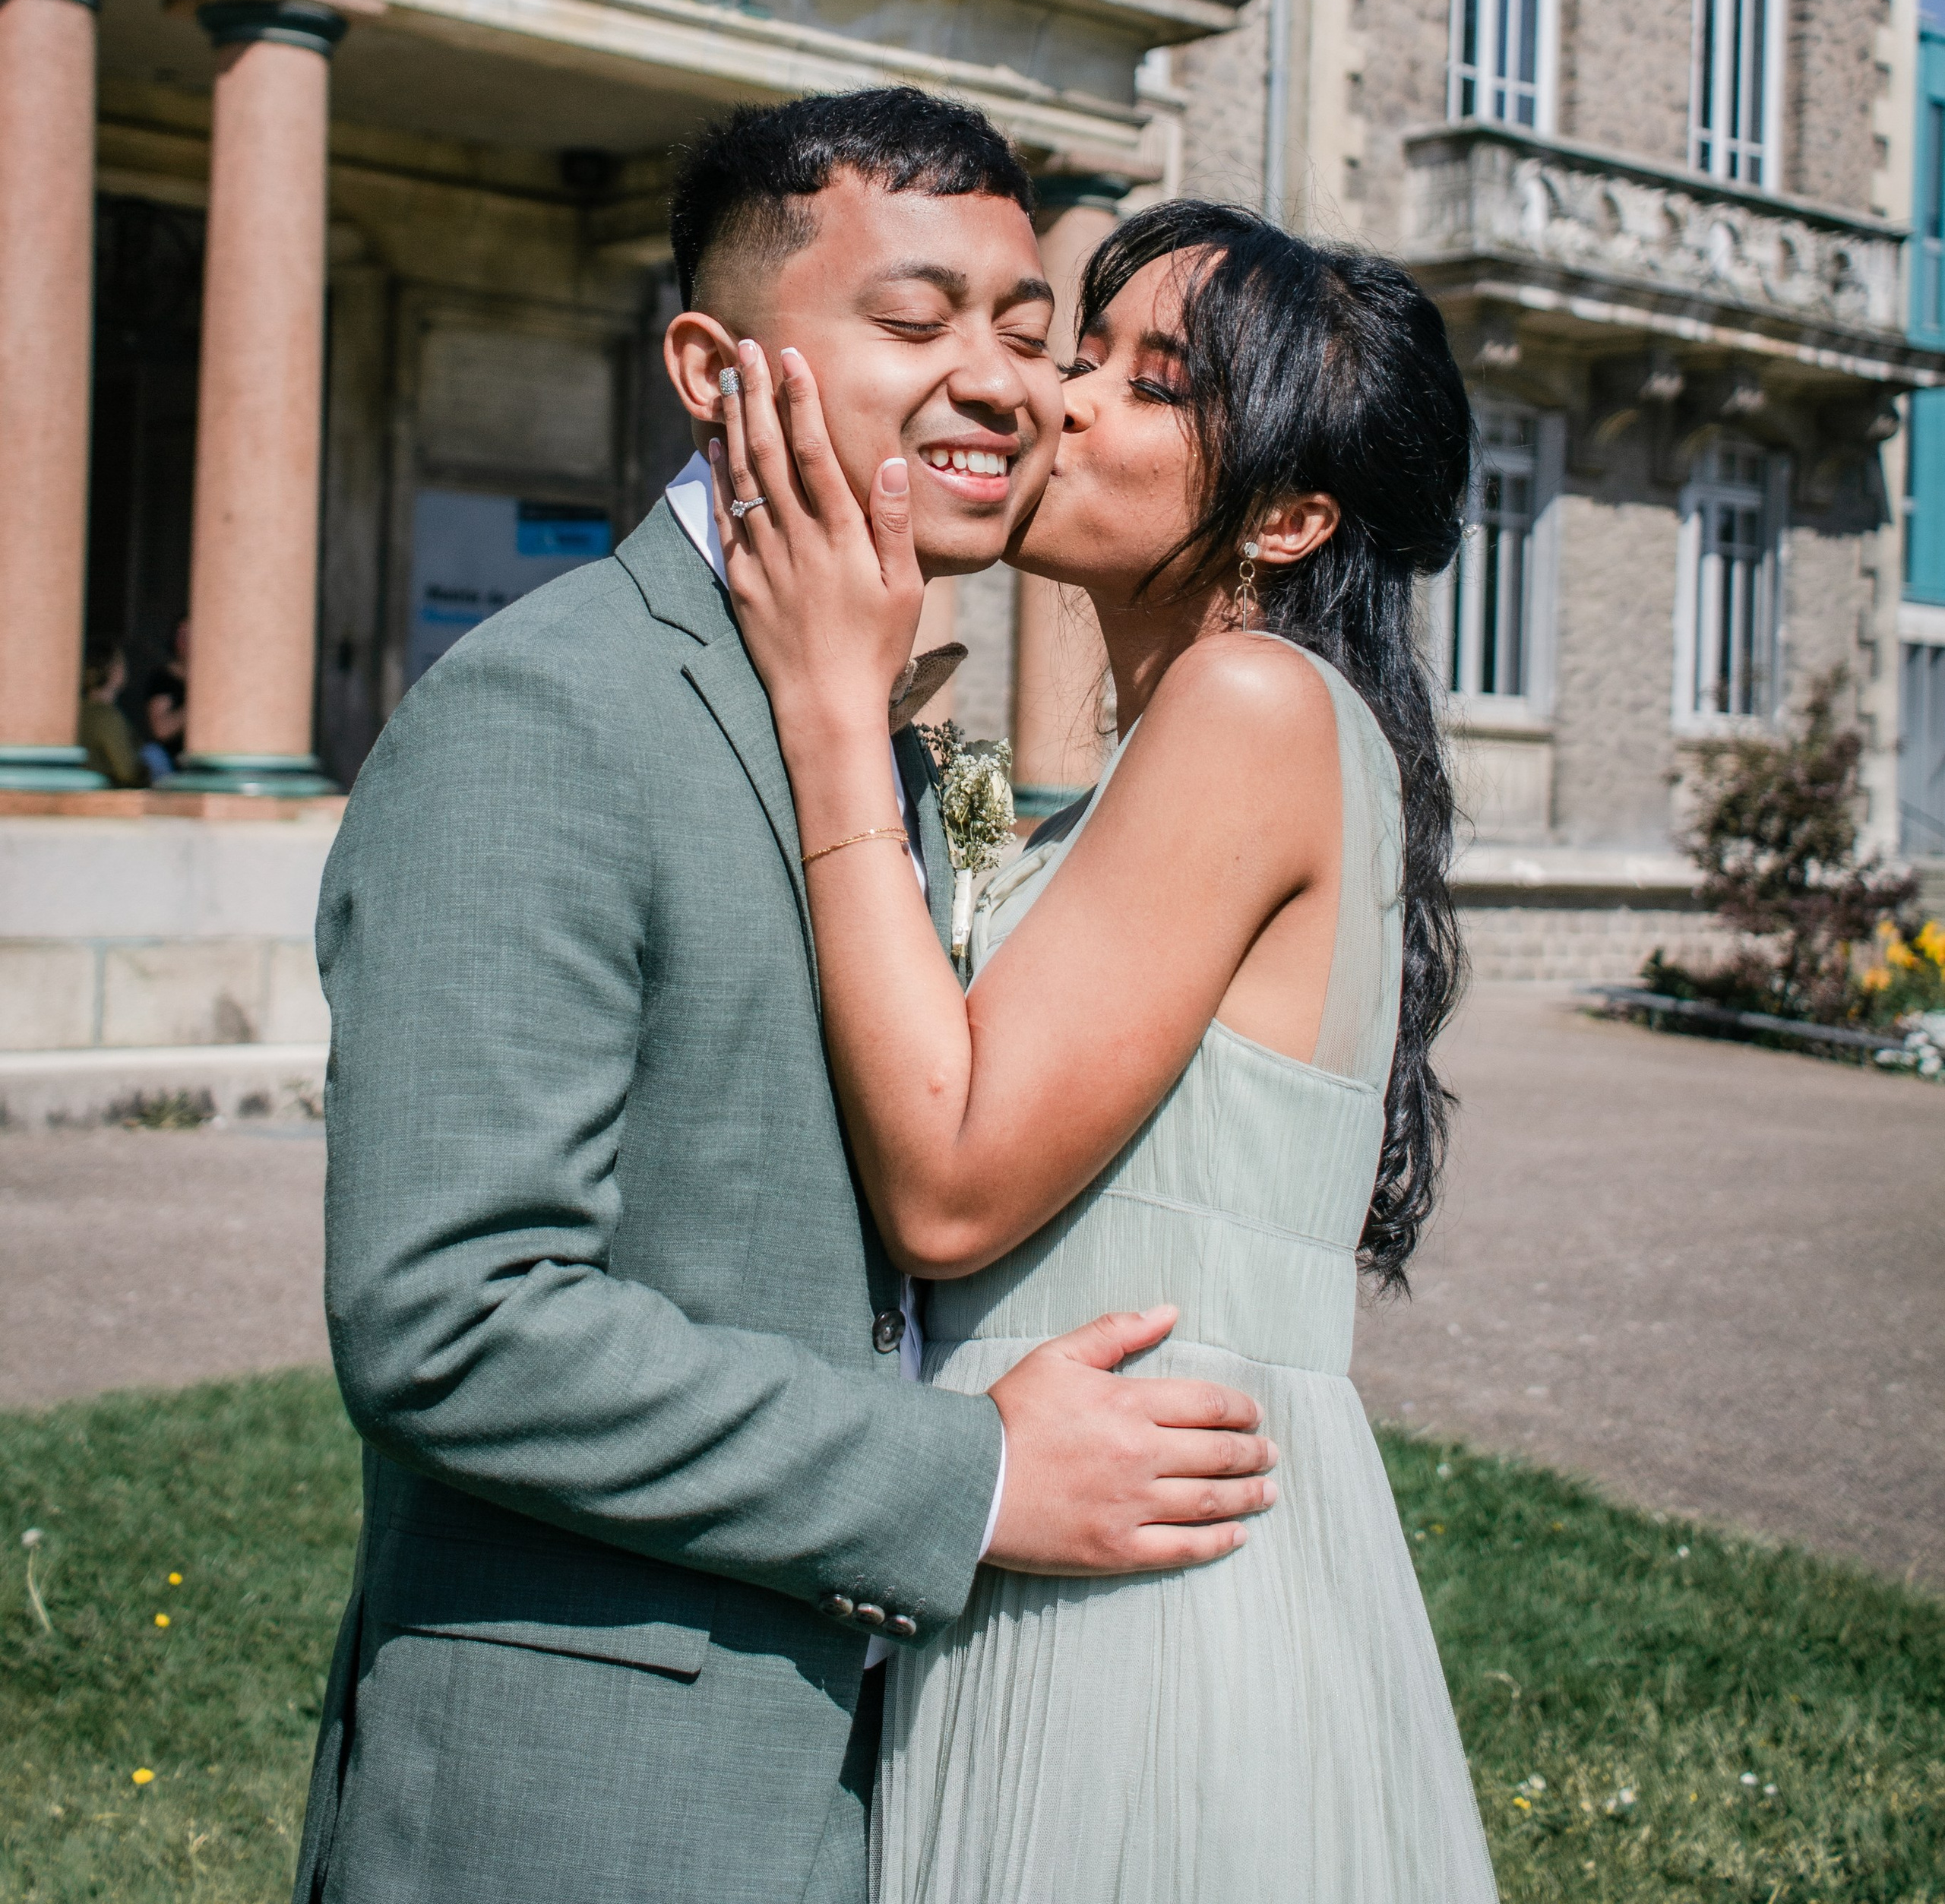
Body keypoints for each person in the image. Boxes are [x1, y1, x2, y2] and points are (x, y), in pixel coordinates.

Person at [295, 93, 1276, 1904]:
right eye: (913, 324)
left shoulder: (864, 719)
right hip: (588, 1802)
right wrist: (962, 1474)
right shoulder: (552, 711)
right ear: (708, 362)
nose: (999, 384)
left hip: (860, 1775)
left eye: (1027, 334)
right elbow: (452, 1317)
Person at [714, 194, 1499, 1903]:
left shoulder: (1248, 709)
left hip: (1139, 1571)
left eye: (1147, 383)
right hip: (1096, 1517)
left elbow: (949, 1181)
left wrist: (834, 716)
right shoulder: (1215, 734)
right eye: (1076, 348)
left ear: (1286, 514)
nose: (1054, 399)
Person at [80, 639, 146, 788]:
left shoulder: (80, 711)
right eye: (120, 662)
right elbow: (128, 772)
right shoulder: (106, 716)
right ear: (111, 669)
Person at [141, 614, 188, 783]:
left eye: (190, 635)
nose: (183, 641)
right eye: (180, 635)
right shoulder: (164, 678)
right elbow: (162, 730)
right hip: (171, 768)